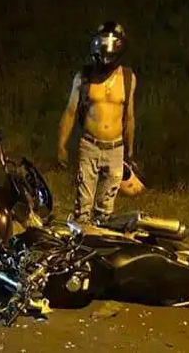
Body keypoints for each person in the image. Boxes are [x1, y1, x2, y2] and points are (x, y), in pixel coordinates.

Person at [57, 21, 138, 225]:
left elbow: (129, 116)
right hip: (89, 146)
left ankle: (100, 239)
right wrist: (61, 145)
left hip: (115, 149)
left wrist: (129, 152)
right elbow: (70, 112)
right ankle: (80, 238)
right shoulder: (84, 78)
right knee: (83, 207)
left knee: (105, 211)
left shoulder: (128, 78)